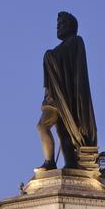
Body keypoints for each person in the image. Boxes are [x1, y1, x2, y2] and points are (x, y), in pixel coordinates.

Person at [37, 11, 97, 172]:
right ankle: (68, 162)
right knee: (63, 131)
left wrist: (49, 55)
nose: (58, 28)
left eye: (61, 24)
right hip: (54, 95)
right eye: (57, 25)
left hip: (62, 97)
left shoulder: (76, 42)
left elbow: (73, 69)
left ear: (71, 26)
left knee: (44, 126)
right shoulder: (62, 47)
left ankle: (51, 161)